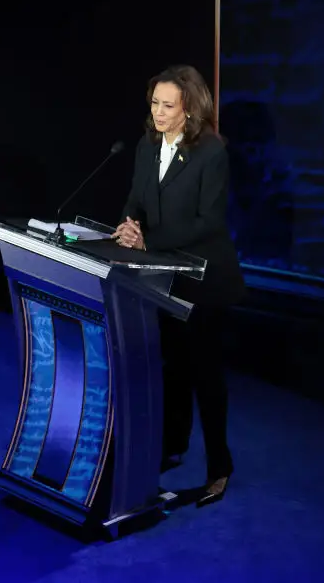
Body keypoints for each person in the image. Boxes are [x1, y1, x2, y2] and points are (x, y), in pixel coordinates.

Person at [113, 64, 245, 507]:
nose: (159, 112)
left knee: (205, 375)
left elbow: (208, 222)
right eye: (154, 103)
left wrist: (149, 239)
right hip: (162, 276)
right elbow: (136, 198)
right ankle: (173, 446)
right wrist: (129, 226)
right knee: (173, 369)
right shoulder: (146, 146)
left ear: (189, 109)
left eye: (168, 105)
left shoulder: (211, 152)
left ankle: (219, 468)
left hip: (206, 279)